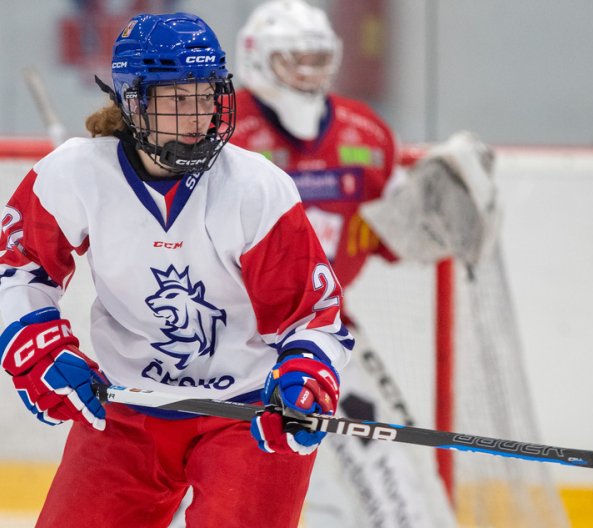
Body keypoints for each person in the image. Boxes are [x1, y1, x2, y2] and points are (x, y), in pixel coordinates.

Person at [0, 12, 352, 528]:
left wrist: (305, 377)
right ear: (134, 101)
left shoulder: (256, 189)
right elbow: (17, 269)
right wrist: (38, 350)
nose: (198, 116)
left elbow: (312, 316)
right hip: (127, 409)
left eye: (206, 96)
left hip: (247, 413)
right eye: (178, 99)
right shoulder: (75, 174)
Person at [228, 1, 502, 527]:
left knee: (382, 463)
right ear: (258, 59)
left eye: (317, 57)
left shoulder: (366, 136)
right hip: (223, 338)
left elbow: (396, 238)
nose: (309, 71)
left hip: (320, 333)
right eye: (294, 58)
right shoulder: (221, 131)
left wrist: (442, 211)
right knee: (210, 468)